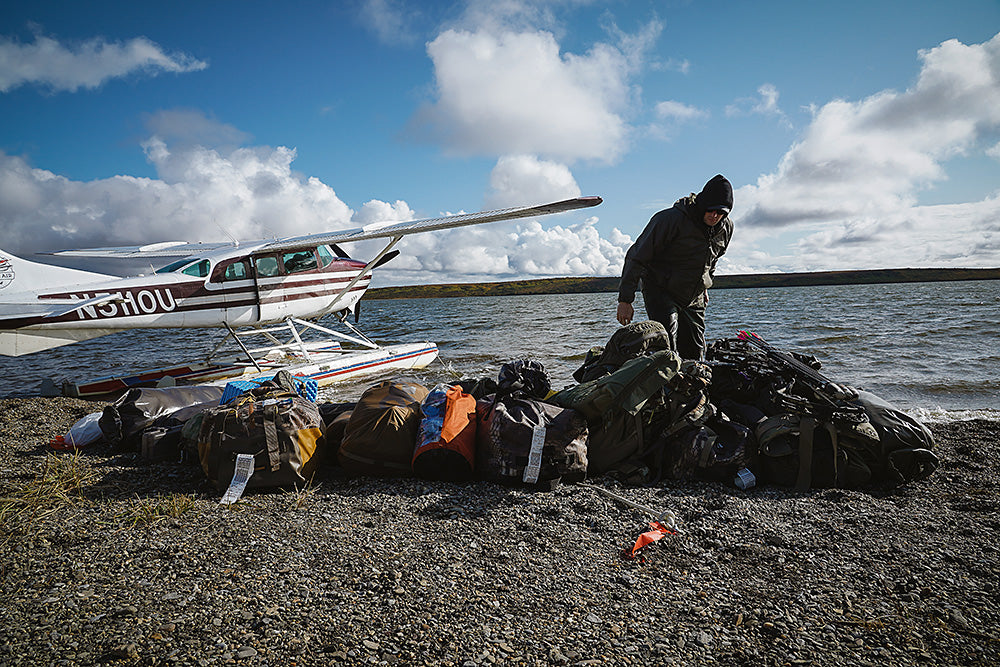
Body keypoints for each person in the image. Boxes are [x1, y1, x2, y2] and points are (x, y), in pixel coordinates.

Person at [616, 174, 734, 360]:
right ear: (702, 205)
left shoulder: (726, 227)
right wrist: (625, 300)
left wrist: (705, 284)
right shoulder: (670, 220)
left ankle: (691, 386)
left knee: (695, 351)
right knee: (667, 345)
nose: (715, 216)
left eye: (721, 213)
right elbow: (636, 258)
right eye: (711, 210)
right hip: (661, 289)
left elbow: (713, 258)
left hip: (694, 296)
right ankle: (663, 384)